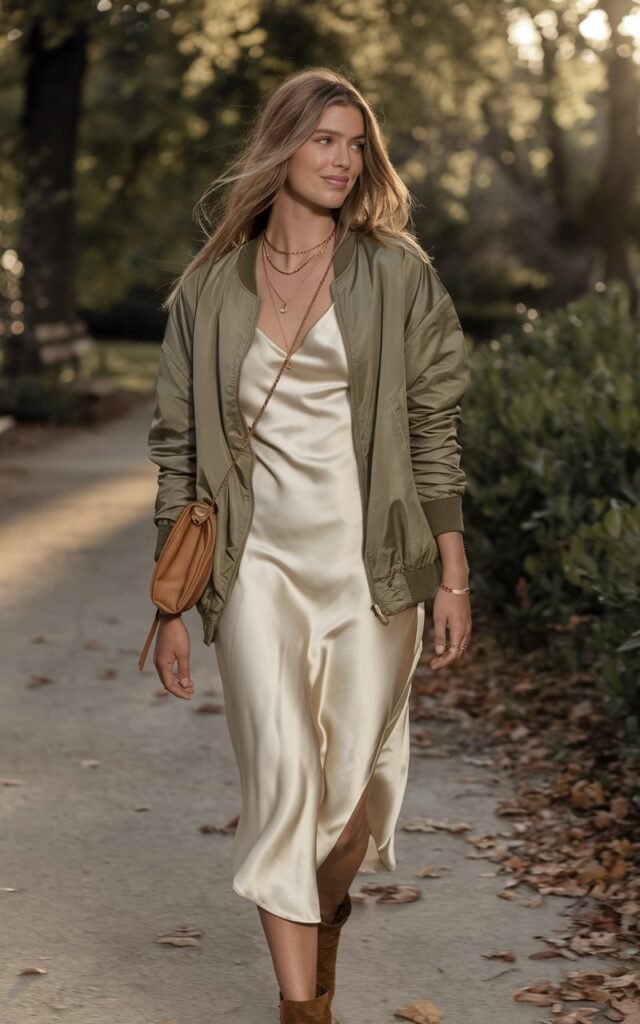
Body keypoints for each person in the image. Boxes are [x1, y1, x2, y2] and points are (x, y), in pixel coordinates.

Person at [146, 66, 472, 1024]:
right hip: (256, 575)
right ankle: (304, 1011)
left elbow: (432, 429)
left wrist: (452, 572)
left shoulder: (396, 272)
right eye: (325, 138)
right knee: (284, 786)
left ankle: (324, 909)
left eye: (356, 142)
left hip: (374, 572)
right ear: (282, 144)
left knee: (349, 799)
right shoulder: (210, 290)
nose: (343, 158)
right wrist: (170, 605)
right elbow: (178, 454)